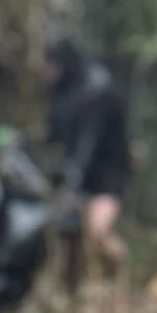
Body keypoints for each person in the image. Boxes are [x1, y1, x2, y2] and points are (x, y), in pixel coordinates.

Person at [43, 34, 130, 294]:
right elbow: (56, 135)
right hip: (77, 175)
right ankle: (72, 297)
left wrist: (73, 177)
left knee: (98, 233)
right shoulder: (62, 92)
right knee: (68, 237)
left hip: (106, 175)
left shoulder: (96, 89)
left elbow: (89, 142)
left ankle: (123, 281)